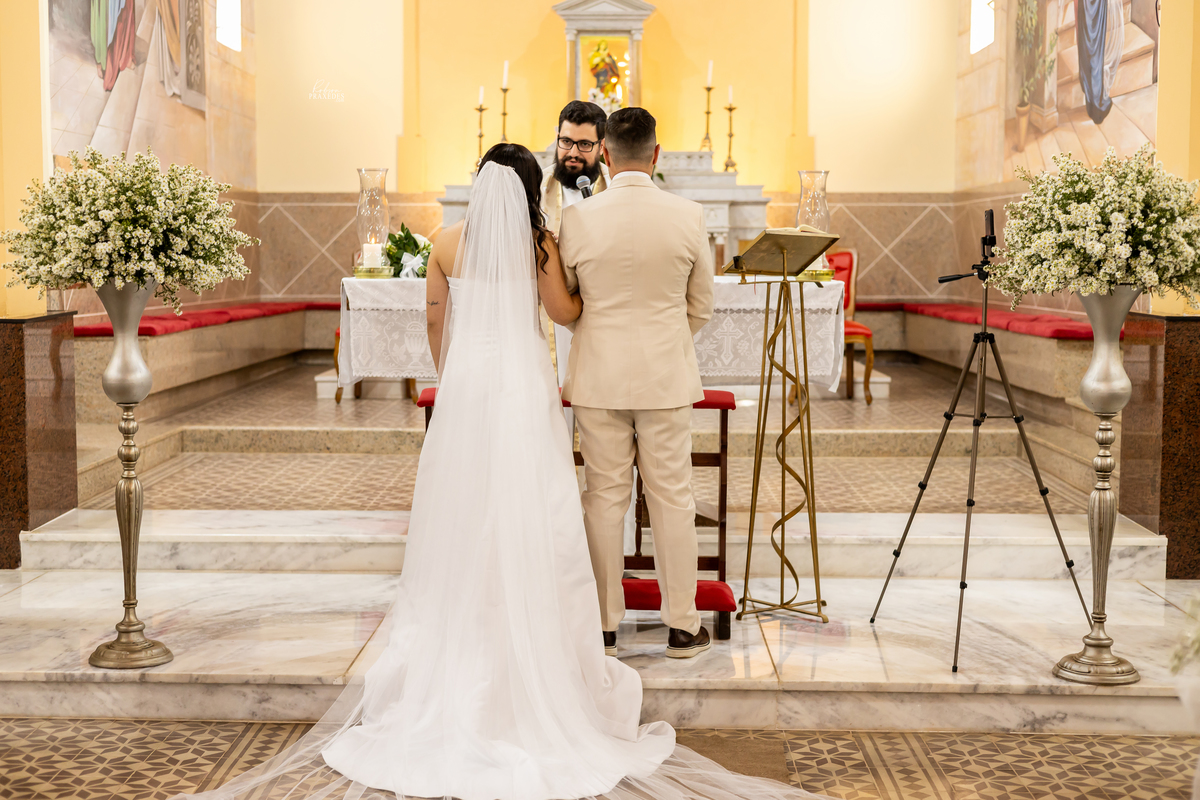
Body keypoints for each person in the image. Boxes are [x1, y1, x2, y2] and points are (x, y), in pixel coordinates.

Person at [173, 143, 833, 800]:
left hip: (468, 385)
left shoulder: (444, 243)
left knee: (463, 512)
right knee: (534, 510)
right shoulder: (538, 246)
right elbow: (565, 313)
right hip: (522, 385)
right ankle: (539, 647)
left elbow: (437, 323)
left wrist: (453, 377)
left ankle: (460, 644)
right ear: (527, 187)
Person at [558, 107, 715, 660]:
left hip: (598, 378)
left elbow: (569, 301)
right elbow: (701, 306)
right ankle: (680, 625)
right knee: (673, 498)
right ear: (656, 155)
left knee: (603, 500)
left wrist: (596, 330)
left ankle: (603, 626)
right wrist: (666, 338)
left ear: (604, 153)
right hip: (666, 377)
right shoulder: (690, 216)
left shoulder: (577, 220)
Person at [541, 100, 609, 237]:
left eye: (584, 144)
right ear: (558, 138)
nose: (573, 153)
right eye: (566, 141)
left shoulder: (614, 185)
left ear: (601, 146)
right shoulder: (538, 185)